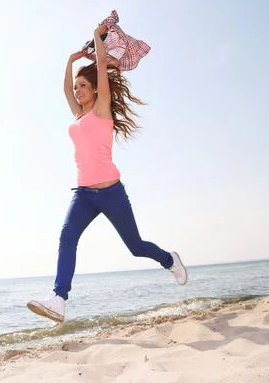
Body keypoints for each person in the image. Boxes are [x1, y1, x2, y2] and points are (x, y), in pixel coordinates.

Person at [27, 25, 188, 323]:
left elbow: (101, 65)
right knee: (67, 237)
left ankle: (170, 260)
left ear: (96, 90)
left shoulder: (102, 109)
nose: (77, 91)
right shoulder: (78, 114)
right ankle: (59, 299)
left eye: (82, 87)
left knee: (136, 247)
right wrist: (69, 61)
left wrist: (97, 36)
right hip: (84, 194)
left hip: (111, 192)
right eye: (77, 88)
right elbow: (63, 89)